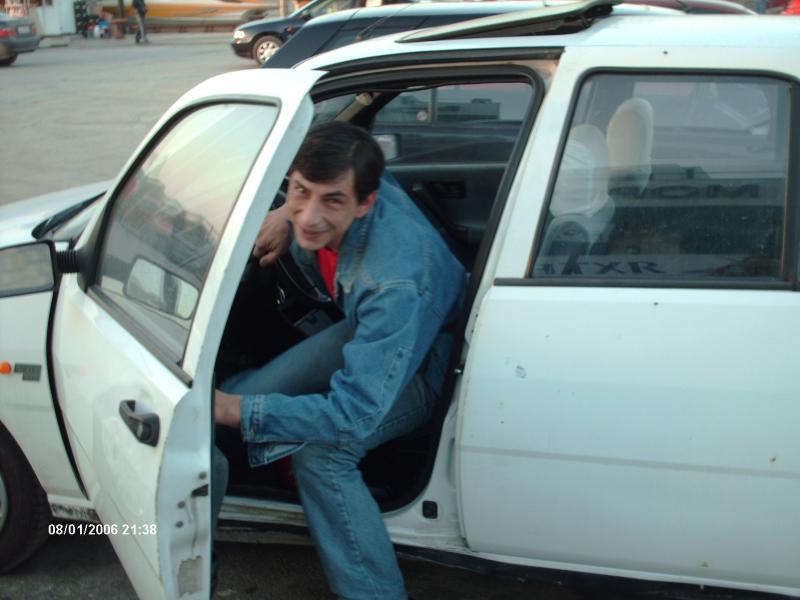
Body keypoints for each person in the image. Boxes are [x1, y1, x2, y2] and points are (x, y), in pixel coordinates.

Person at [212, 121, 466, 599]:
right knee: (241, 398)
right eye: (300, 192)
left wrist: (236, 411)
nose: (309, 218)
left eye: (332, 201)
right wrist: (282, 216)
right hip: (370, 329)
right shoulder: (354, 174)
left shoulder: (393, 283)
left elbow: (353, 414)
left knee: (321, 454)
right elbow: (337, 150)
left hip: (429, 359)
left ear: (365, 203)